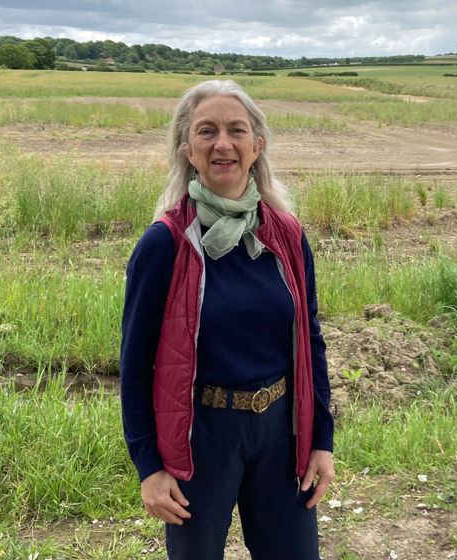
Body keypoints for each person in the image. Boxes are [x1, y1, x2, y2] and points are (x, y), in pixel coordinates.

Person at [120, 79, 335, 560]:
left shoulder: (287, 235)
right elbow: (135, 367)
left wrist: (321, 438)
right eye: (206, 131)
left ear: (256, 147)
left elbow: (309, 341)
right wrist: (149, 467)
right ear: (188, 151)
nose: (223, 143)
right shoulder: (165, 244)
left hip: (281, 434)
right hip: (200, 438)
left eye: (237, 130)